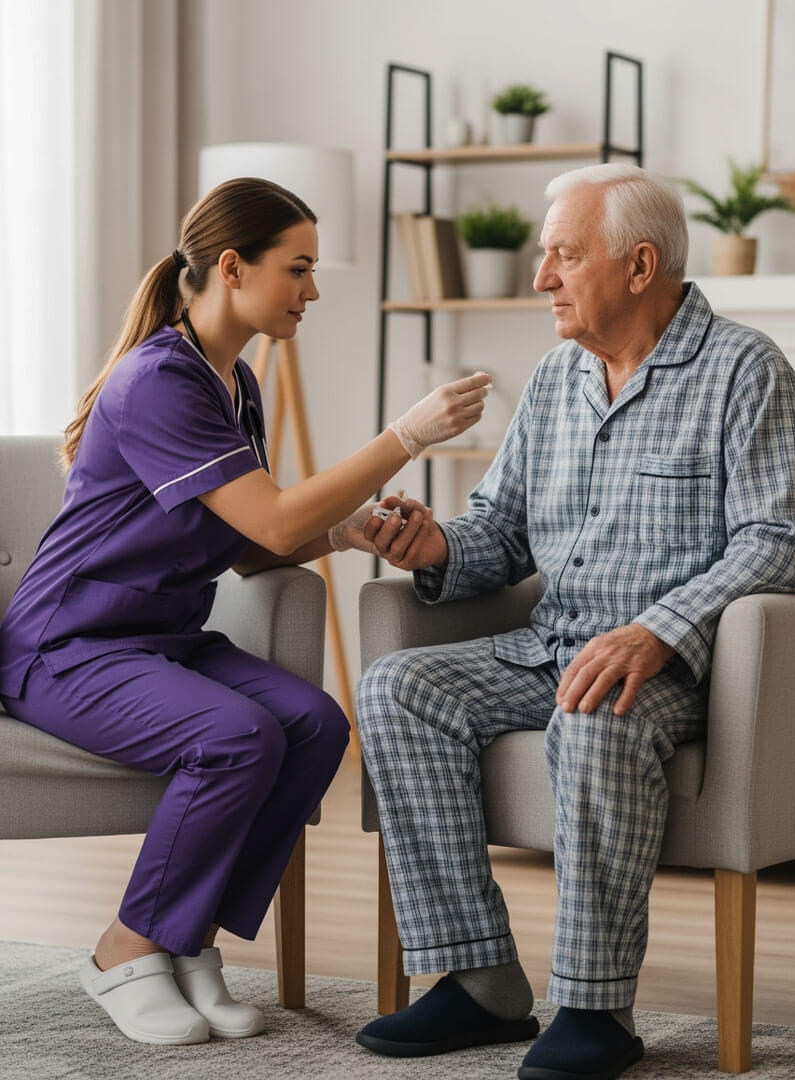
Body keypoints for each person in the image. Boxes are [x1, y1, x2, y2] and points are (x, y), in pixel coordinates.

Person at [350, 164, 795, 1080]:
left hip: (681, 671)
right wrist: (435, 548)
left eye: (564, 256)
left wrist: (658, 630)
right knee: (397, 687)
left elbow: (785, 539)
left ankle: (597, 1007)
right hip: (550, 645)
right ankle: (480, 977)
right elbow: (501, 531)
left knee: (596, 713)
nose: (541, 279)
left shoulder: (745, 370)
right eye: (543, 257)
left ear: (640, 265)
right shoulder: (558, 378)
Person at [0, 177, 490, 1046]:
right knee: (235, 736)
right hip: (66, 644)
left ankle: (181, 939)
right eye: (297, 268)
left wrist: (344, 531)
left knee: (314, 724)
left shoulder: (235, 383)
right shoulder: (159, 379)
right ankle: (125, 947)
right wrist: (404, 436)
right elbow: (266, 516)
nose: (313, 290)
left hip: (157, 639)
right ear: (233, 267)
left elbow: (246, 541)